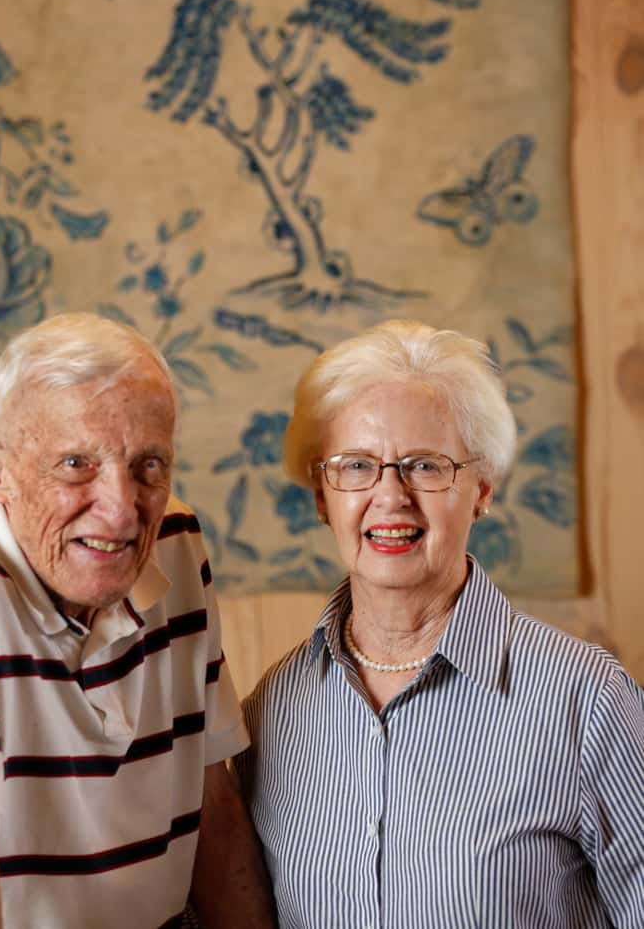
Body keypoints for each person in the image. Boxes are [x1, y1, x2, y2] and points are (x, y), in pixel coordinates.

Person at [0, 313, 276, 929]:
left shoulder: (172, 540)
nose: (122, 511)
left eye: (149, 465)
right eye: (76, 465)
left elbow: (212, 808)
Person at [236, 319, 644, 929]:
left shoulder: (588, 702)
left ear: (482, 486)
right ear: (322, 496)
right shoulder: (270, 712)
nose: (390, 495)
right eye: (355, 467)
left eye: (425, 466)